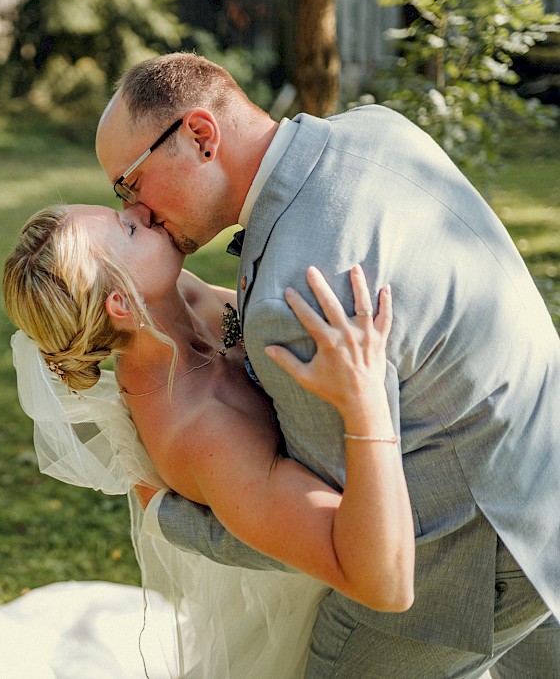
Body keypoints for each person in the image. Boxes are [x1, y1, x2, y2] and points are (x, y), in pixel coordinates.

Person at [94, 52, 560, 677]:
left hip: (474, 560)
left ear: (201, 137)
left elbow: (339, 536)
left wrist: (170, 513)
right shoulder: (378, 129)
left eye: (130, 184)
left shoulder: (297, 297)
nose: (137, 213)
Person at [0, 202, 412, 677]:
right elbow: (383, 583)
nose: (141, 210)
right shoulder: (200, 430)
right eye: (128, 229)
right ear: (123, 304)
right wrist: (364, 397)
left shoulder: (171, 298)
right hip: (326, 616)